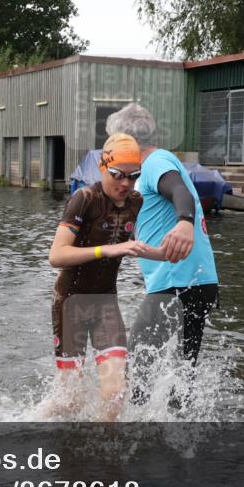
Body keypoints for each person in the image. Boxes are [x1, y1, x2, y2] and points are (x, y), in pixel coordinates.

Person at [105, 103, 220, 406]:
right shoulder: (148, 170)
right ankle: (177, 431)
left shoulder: (155, 161)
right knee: (182, 379)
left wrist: (184, 223)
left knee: (134, 372)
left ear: (127, 142)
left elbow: (180, 191)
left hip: (175, 281)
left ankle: (127, 431)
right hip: (200, 281)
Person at [46, 134, 163, 421]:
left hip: (105, 303)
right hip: (71, 302)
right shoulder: (84, 199)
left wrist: (165, 253)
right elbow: (56, 255)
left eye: (133, 176)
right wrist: (107, 250)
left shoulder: (136, 202)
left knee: (116, 394)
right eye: (117, 175)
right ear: (102, 167)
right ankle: (30, 425)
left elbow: (131, 245)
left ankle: (100, 446)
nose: (125, 183)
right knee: (69, 400)